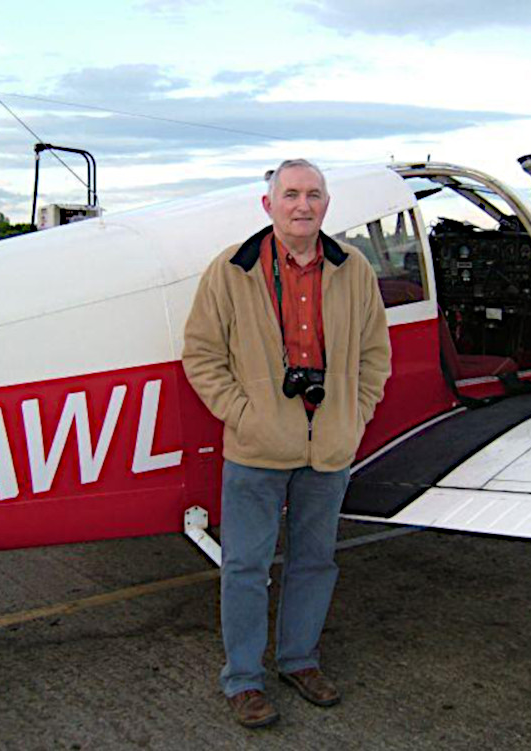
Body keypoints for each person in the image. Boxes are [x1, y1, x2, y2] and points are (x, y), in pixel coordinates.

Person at [182, 159, 391, 728]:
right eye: (291, 194)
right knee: (245, 567)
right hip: (256, 449)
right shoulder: (230, 270)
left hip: (329, 446)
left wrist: (354, 414)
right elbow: (201, 354)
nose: (303, 205)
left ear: (327, 204)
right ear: (268, 204)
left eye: (314, 195)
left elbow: (376, 356)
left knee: (315, 562)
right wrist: (243, 415)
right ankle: (244, 679)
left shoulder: (354, 270)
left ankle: (300, 660)